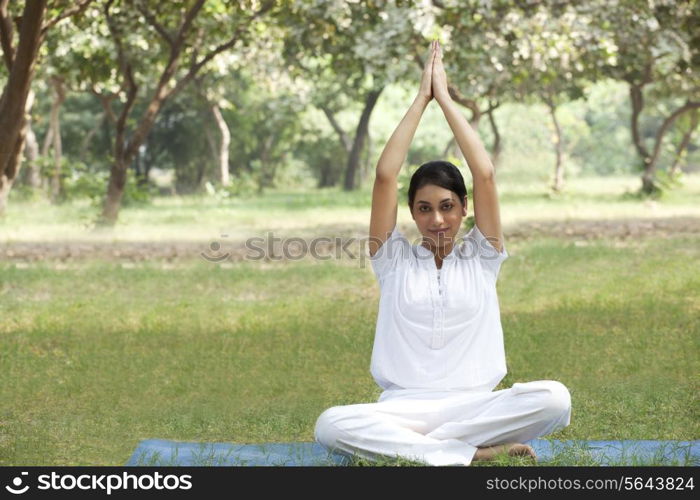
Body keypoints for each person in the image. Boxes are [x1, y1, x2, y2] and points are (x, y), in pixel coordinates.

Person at [314, 40, 571, 466]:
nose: (437, 220)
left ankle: (429, 451)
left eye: (448, 206)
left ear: (464, 208)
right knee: (330, 424)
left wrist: (445, 99)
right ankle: (468, 455)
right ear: (411, 213)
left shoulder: (482, 255)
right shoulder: (392, 259)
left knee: (555, 399)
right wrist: (421, 99)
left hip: (476, 407)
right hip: (402, 408)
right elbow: (384, 176)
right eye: (425, 209)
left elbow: (484, 174)